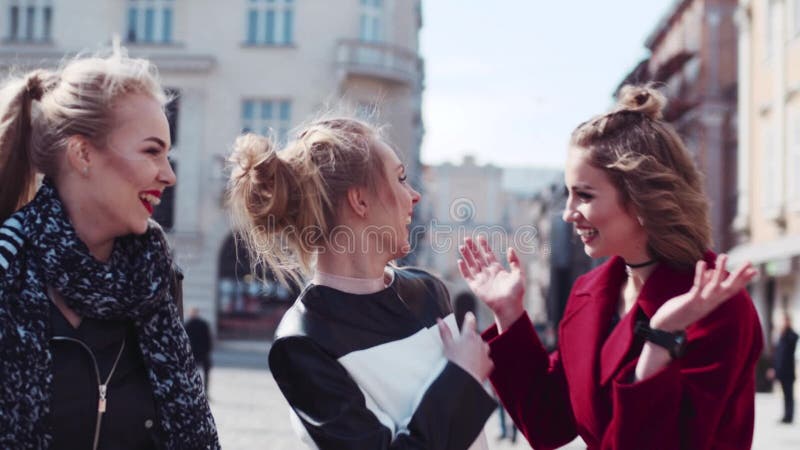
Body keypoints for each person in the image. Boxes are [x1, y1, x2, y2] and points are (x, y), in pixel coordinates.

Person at [457, 85, 763, 450]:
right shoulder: (591, 293)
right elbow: (548, 423)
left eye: (584, 195)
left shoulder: (715, 301)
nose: (569, 213)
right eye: (569, 193)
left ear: (641, 198)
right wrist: (509, 313)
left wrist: (661, 338)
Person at [227, 117, 497, 449]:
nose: (413, 196)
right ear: (360, 201)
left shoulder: (430, 292)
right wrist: (461, 378)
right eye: (400, 178)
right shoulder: (302, 342)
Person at [0, 54, 219, 449]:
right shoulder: (7, 267)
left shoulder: (157, 278)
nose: (169, 175)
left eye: (167, 154)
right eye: (152, 151)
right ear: (83, 154)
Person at [769, 313, 798, 424]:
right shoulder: (781, 336)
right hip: (781, 371)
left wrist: (786, 331)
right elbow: (777, 355)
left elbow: (794, 339)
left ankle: (790, 415)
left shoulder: (791, 336)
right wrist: (774, 369)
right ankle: (786, 415)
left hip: (789, 372)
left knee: (789, 395)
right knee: (785, 395)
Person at [185, 307, 213, 395]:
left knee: (191, 373)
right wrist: (208, 350)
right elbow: (208, 339)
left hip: (193, 352)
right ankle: (205, 391)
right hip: (202, 352)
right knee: (205, 373)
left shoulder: (187, 324)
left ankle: (194, 391)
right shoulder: (202, 324)